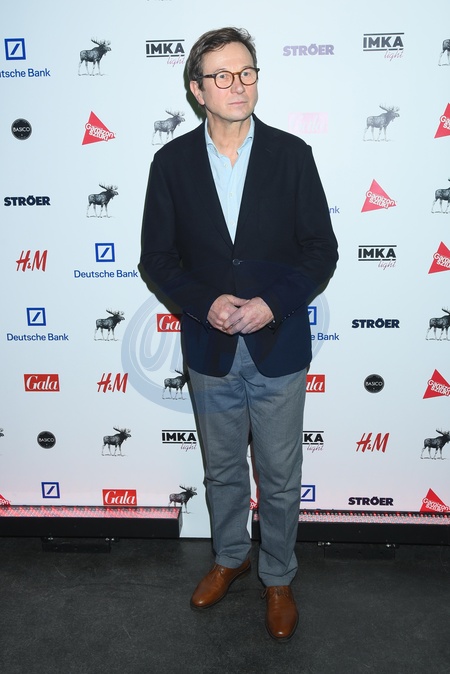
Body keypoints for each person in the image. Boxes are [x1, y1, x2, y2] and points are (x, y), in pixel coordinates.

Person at [140, 27, 338, 642]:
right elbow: (157, 258)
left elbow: (320, 250)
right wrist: (206, 304)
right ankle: (230, 558)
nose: (238, 85)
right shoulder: (171, 162)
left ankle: (278, 575)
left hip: (278, 345)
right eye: (221, 76)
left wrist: (271, 305)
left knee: (279, 474)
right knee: (222, 470)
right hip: (210, 346)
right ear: (197, 90)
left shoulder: (292, 154)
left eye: (246, 72)